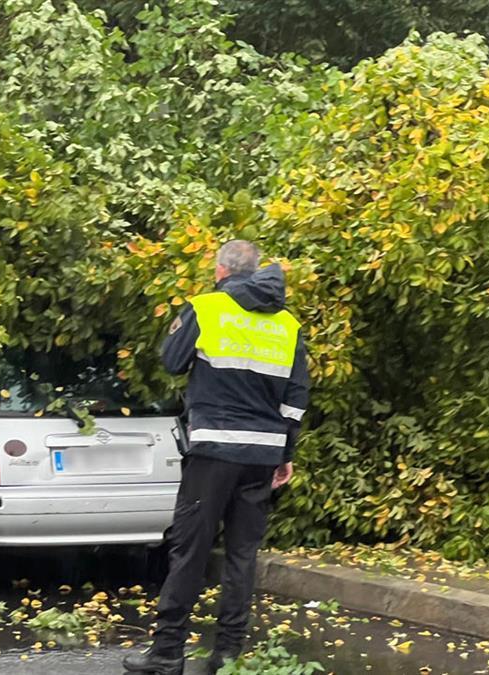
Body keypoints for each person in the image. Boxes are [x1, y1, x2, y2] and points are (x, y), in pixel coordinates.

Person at [123, 240, 310, 675]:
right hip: (261, 456)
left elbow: (171, 361)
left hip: (212, 452)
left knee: (190, 550)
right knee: (243, 554)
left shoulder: (206, 308)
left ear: (221, 271)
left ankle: (168, 651)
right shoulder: (288, 324)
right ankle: (227, 654)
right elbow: (296, 398)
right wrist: (285, 453)